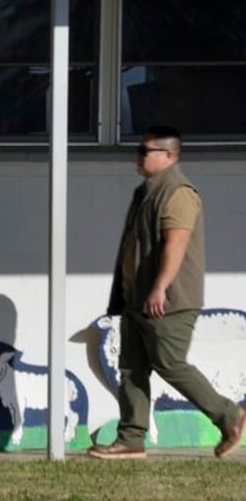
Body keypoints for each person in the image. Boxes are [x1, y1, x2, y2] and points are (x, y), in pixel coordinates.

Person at [88, 125, 246, 460]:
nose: (139, 156)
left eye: (146, 151)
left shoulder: (178, 192)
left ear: (169, 155)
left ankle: (229, 415)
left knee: (169, 362)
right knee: (131, 367)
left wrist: (160, 287)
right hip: (137, 299)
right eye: (139, 150)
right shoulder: (144, 191)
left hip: (167, 301)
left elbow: (177, 242)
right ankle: (131, 439)